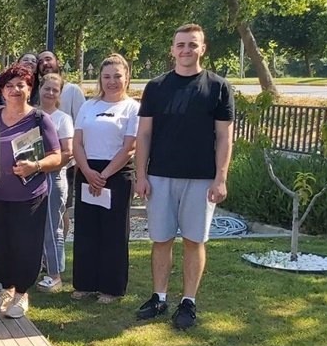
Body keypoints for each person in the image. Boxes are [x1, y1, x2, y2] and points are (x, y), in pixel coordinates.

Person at [134, 23, 235, 329]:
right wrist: (141, 174)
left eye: (192, 45)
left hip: (201, 179)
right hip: (160, 177)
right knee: (161, 240)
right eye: (181, 45)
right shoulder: (156, 87)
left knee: (194, 241)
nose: (186, 50)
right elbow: (144, 134)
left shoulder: (218, 87)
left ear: (202, 48)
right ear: (172, 49)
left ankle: (188, 302)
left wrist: (220, 177)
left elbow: (224, 138)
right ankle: (159, 297)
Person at [0, 64, 62, 318]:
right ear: (1, 91)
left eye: (21, 85)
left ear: (30, 89)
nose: (15, 90)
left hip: (29, 196)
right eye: (9, 86)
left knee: (25, 246)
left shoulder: (40, 119)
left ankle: (21, 294)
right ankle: (6, 289)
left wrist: (35, 166)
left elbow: (57, 156)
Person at [71, 54, 140, 304]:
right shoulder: (88, 106)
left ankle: (111, 287)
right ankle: (85, 283)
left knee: (113, 232)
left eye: (117, 76)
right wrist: (88, 172)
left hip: (117, 174)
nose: (112, 81)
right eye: (107, 76)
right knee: (87, 229)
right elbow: (77, 142)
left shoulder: (133, 108)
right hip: (87, 171)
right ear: (100, 78)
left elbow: (129, 147)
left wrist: (104, 175)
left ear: (127, 78)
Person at [36, 73, 74, 292]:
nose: (50, 93)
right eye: (46, 88)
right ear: (39, 89)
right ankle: (35, 268)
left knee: (52, 226)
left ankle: (54, 274)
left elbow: (68, 153)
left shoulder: (62, 118)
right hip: (30, 176)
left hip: (53, 176)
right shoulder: (31, 113)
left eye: (55, 90)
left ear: (59, 93)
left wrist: (45, 166)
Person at [37, 51, 86, 122]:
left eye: (48, 59)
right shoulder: (37, 92)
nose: (44, 63)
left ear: (58, 62)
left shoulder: (73, 90)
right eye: (40, 62)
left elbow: (82, 121)